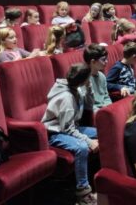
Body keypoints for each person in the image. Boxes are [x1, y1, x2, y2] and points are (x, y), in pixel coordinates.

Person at [41, 64, 98, 205]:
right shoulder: (66, 97)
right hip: (55, 133)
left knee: (103, 132)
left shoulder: (77, 88)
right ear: (83, 79)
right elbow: (67, 129)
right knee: (82, 147)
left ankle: (99, 178)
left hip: (71, 127)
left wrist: (89, 88)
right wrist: (89, 141)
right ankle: (83, 192)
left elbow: (90, 106)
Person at [83, 44, 112, 111]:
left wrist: (109, 108)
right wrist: (100, 112)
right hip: (92, 112)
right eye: (103, 60)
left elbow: (106, 96)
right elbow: (86, 104)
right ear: (93, 62)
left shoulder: (102, 76)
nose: (106, 61)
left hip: (104, 110)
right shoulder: (83, 79)